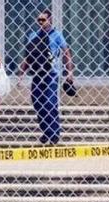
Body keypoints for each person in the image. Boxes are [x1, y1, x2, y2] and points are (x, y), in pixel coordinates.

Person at [17, 10, 74, 145]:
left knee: (50, 102)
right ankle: (46, 131)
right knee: (38, 103)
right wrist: (21, 74)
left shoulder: (57, 35)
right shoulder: (33, 36)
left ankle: (54, 133)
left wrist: (69, 72)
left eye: (43, 20)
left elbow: (66, 53)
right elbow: (28, 56)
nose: (41, 22)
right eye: (39, 20)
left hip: (51, 74)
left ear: (50, 20)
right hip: (37, 74)